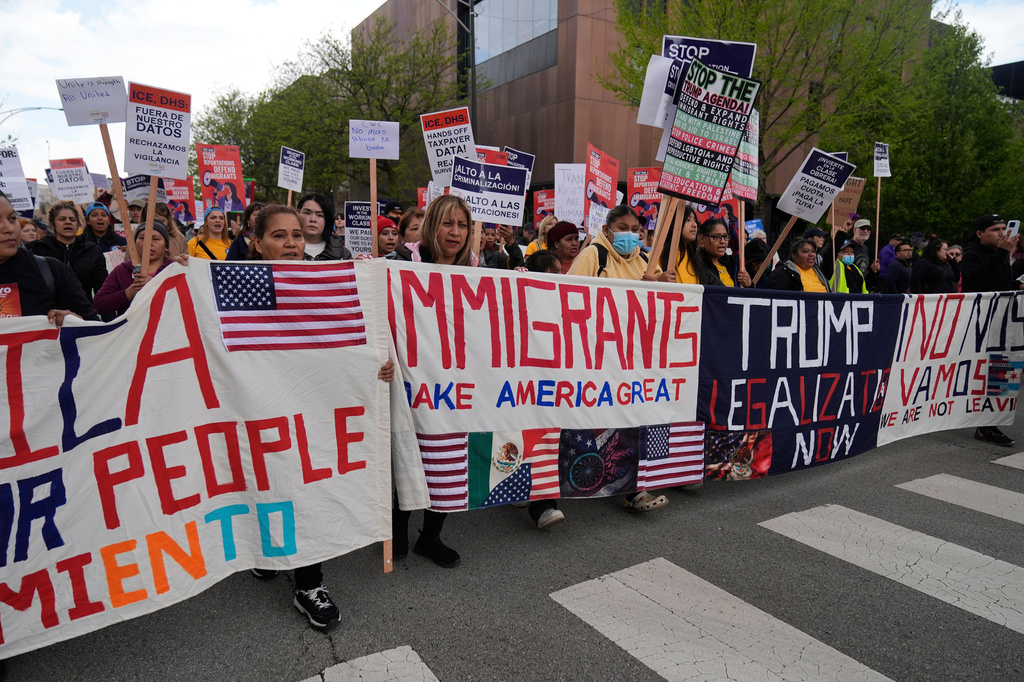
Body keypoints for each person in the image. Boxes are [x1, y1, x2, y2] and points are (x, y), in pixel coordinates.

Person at [243, 204, 395, 628]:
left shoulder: (327, 279)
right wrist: (175, 276)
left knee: (308, 487)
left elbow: (357, 338)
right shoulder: (236, 282)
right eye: (279, 235)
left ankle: (309, 583)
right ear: (257, 243)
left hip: (315, 405)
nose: (291, 242)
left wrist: (377, 364)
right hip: (261, 404)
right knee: (270, 483)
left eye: (296, 234)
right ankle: (267, 551)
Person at [567, 205, 669, 513]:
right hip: (596, 355)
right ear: (608, 229)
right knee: (582, 423)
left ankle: (633, 488)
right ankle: (550, 489)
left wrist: (665, 288)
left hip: (633, 355)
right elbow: (569, 298)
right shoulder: (592, 256)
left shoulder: (646, 261)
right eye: (622, 227)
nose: (630, 233)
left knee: (630, 423)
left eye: (635, 228)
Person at [392, 195, 475, 565]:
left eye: (462, 224)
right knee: (406, 456)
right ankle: (397, 533)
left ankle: (431, 536)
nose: (455, 232)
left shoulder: (479, 270)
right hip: (410, 380)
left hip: (455, 383)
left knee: (447, 460)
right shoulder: (399, 264)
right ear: (430, 227)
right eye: (447, 223)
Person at [961, 214, 1020, 446]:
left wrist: (1017, 285)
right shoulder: (972, 255)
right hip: (982, 326)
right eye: (996, 229)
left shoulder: (1000, 255)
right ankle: (985, 425)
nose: (1002, 233)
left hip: (1003, 323)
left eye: (1004, 228)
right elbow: (979, 282)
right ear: (980, 234)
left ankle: (990, 422)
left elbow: (1001, 283)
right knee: (985, 374)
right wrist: (1002, 254)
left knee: (1001, 373)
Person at [0, 191, 97, 324]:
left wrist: (75, 322)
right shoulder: (38, 246)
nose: (9, 228)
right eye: (62, 219)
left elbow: (96, 331)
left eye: (12, 218)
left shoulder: (52, 270)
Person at [93, 220, 181, 319]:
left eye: (155, 239)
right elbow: (99, 305)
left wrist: (156, 286)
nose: (149, 243)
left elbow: (186, 303)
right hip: (131, 332)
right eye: (143, 238)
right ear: (134, 244)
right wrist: (128, 293)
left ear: (166, 246)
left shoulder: (175, 270)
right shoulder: (122, 270)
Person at [27, 200, 108, 301]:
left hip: (83, 311)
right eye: (62, 219)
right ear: (52, 224)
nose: (68, 222)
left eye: (72, 219)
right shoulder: (36, 249)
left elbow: (102, 289)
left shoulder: (92, 251)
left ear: (78, 224)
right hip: (48, 312)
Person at [659, 204, 711, 285]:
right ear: (673, 223)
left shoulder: (697, 258)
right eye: (688, 220)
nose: (695, 225)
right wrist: (658, 282)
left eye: (694, 220)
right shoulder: (657, 255)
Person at [697, 218, 751, 287]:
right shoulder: (696, 264)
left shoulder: (734, 265)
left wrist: (748, 285)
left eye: (725, 236)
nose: (723, 241)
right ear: (702, 238)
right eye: (716, 237)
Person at [297, 193, 351, 260]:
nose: (313, 219)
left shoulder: (343, 254)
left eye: (320, 215)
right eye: (307, 213)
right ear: (297, 213)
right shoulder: (285, 250)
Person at [765, 239, 830, 292]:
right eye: (805, 251)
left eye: (813, 251)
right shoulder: (782, 273)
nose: (811, 254)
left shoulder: (819, 272)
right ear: (794, 255)